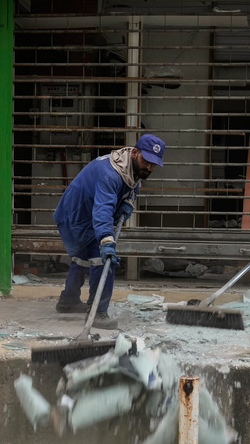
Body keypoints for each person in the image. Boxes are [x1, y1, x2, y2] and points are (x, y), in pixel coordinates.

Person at [52, 134, 166, 330]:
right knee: (103, 259)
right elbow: (103, 210)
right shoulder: (111, 174)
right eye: (146, 161)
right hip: (77, 215)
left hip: (85, 212)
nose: (149, 167)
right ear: (135, 152)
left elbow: (133, 185)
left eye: (153, 164)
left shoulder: (131, 166)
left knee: (82, 257)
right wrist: (107, 240)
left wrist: (128, 203)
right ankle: (97, 313)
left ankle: (68, 301)